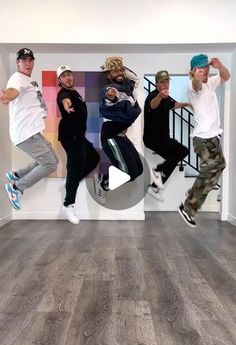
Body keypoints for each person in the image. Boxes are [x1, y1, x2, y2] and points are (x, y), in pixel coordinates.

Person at [0, 48, 58, 210]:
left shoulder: (28, 80)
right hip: (25, 133)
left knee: (53, 159)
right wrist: (8, 96)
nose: (28, 63)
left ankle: (16, 175)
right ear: (17, 63)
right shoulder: (17, 78)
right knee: (50, 165)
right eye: (24, 60)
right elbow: (13, 91)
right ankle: (16, 187)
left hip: (32, 131)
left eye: (30, 60)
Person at [178, 54, 230, 228]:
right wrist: (196, 77)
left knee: (220, 166)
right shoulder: (193, 85)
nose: (205, 72)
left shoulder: (211, 82)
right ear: (194, 71)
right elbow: (196, 85)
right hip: (202, 138)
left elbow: (226, 76)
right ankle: (188, 207)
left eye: (206, 68)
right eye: (201, 70)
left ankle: (193, 193)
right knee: (209, 168)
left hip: (213, 136)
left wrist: (220, 65)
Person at [57, 65, 100, 224]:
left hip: (79, 137)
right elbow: (64, 100)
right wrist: (66, 105)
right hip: (70, 137)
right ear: (59, 80)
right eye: (63, 76)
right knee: (74, 168)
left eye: (69, 74)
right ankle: (68, 205)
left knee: (93, 158)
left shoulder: (75, 92)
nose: (67, 77)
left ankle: (70, 182)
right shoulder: (64, 93)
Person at [96, 56, 143, 202]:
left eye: (120, 69)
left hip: (121, 136)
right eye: (114, 71)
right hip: (111, 136)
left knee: (139, 169)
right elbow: (109, 94)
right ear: (108, 75)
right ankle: (103, 182)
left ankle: (106, 180)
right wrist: (111, 95)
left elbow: (135, 78)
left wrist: (121, 69)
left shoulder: (127, 86)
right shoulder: (111, 89)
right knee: (129, 172)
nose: (119, 73)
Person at [143, 70, 191, 202]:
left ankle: (155, 185)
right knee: (182, 151)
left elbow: (174, 104)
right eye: (162, 82)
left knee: (175, 157)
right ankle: (157, 174)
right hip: (153, 138)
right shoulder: (153, 97)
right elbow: (153, 105)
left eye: (167, 81)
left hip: (163, 138)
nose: (165, 84)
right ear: (156, 84)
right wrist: (159, 96)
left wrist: (187, 104)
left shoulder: (167, 98)